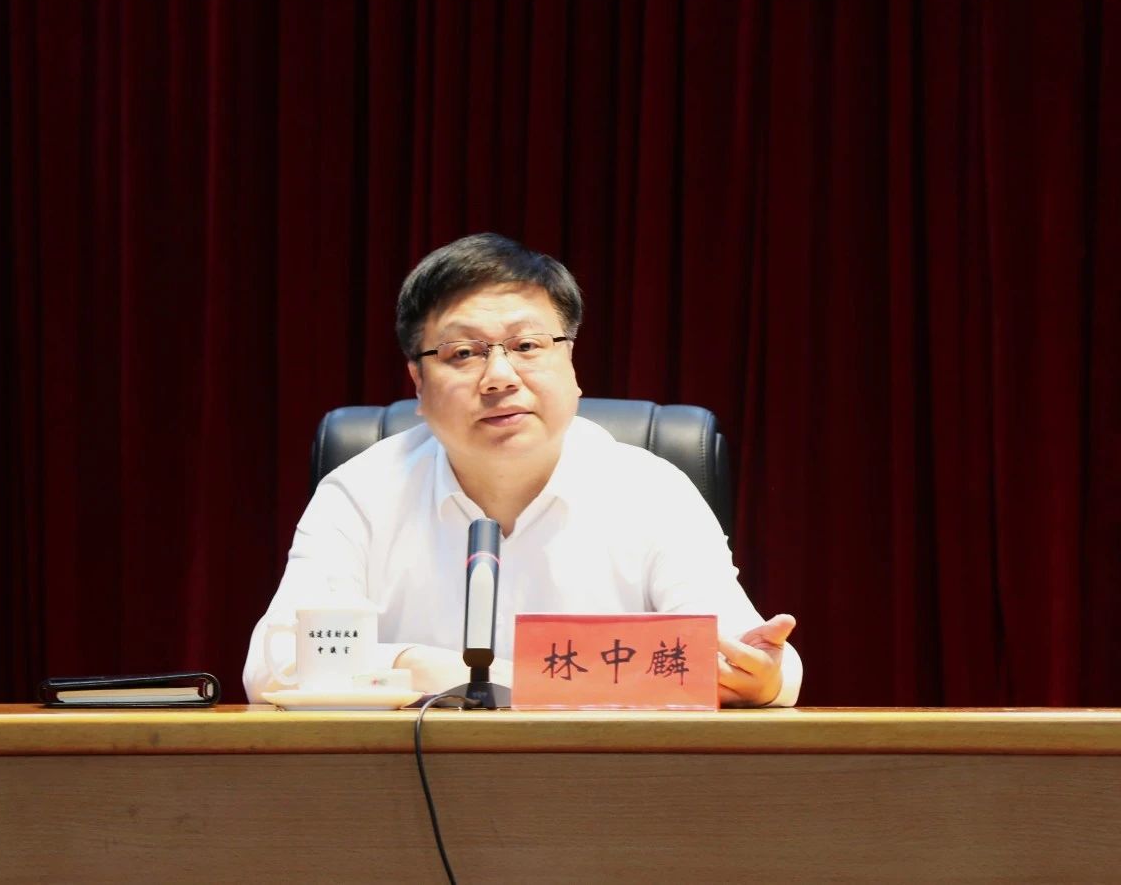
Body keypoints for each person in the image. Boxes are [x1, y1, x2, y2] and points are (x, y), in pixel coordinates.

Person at [243, 233, 801, 706]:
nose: (500, 377)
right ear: (418, 382)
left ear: (571, 361)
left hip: (608, 783)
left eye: (527, 345)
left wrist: (764, 677)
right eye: (464, 353)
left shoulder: (652, 490)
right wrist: (421, 665)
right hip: (404, 785)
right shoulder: (362, 491)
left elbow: (750, 656)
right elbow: (274, 663)